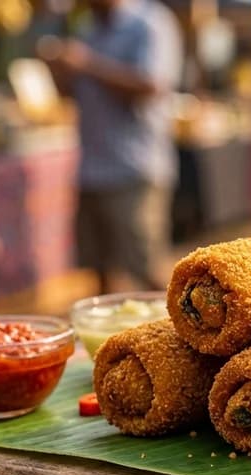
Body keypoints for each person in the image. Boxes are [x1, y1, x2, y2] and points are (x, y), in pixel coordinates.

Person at [42, 0, 182, 292]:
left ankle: (181, 334)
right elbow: (73, 91)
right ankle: (109, 338)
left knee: (147, 269)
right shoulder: (87, 27)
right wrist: (57, 68)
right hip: (93, 169)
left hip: (134, 168)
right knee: (100, 272)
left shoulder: (150, 22)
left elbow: (150, 85)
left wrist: (86, 63)